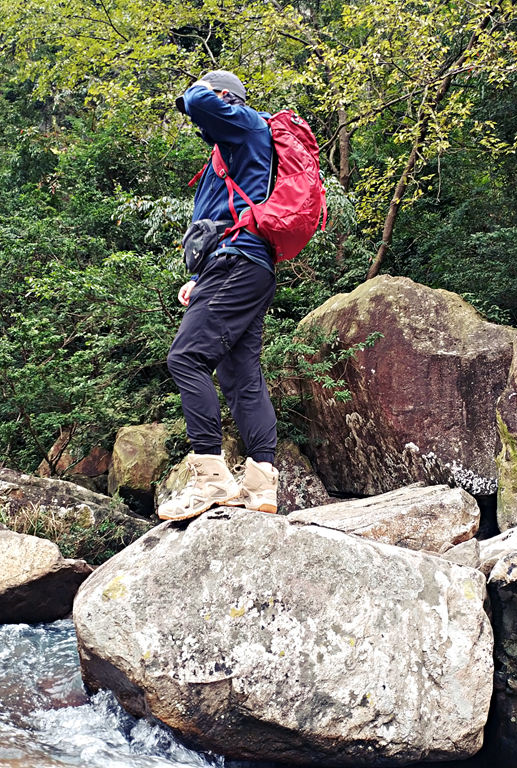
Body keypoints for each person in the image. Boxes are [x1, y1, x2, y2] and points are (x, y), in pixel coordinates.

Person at [157, 70, 280, 522]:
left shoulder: (247, 124)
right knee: (240, 377)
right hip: (243, 266)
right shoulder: (233, 147)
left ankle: (211, 480)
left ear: (226, 99)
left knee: (186, 358)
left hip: (237, 263)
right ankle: (260, 485)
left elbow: (199, 102)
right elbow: (224, 217)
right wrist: (201, 276)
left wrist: (201, 91)